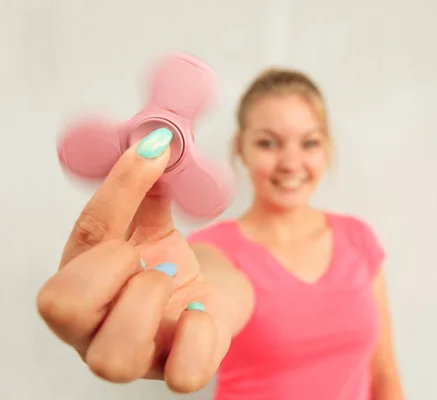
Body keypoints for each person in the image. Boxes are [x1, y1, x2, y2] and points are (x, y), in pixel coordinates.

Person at [37, 67, 405, 399]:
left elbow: (385, 376)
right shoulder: (214, 251)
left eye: (309, 142)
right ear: (240, 149)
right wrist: (189, 311)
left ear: (326, 150)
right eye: (268, 142)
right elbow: (216, 288)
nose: (291, 162)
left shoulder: (357, 238)